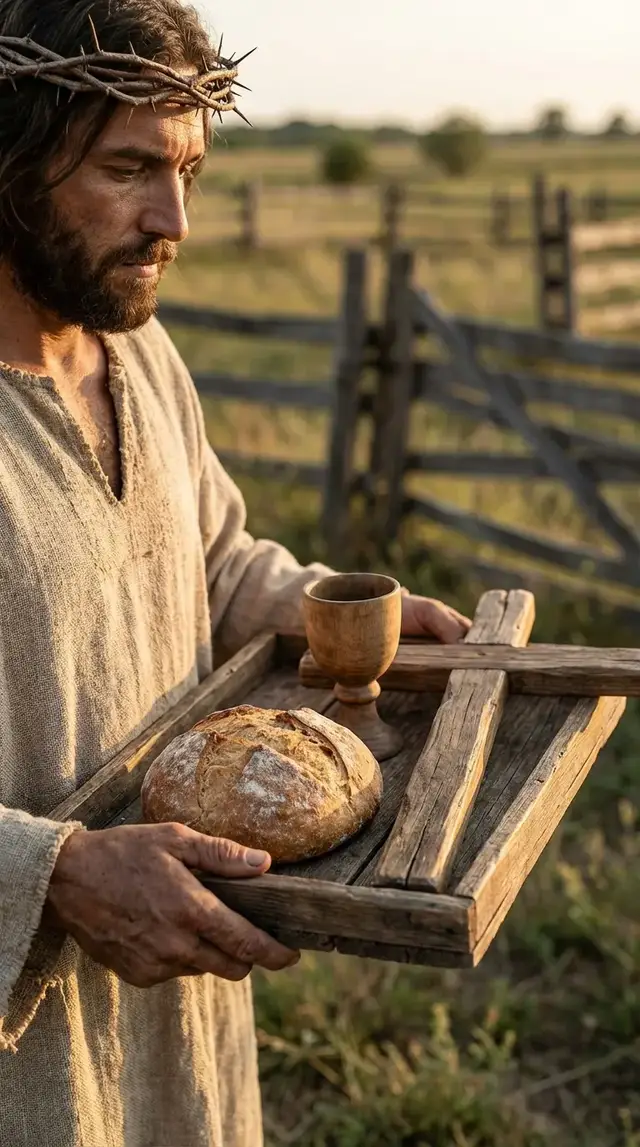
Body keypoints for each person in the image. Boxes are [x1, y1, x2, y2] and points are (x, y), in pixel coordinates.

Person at [0, 2, 471, 1144]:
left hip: (171, 1006)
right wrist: (45, 871)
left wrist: (334, 615)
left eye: (191, 173)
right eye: (127, 168)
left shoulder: (142, 356)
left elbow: (205, 557)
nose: (173, 220)